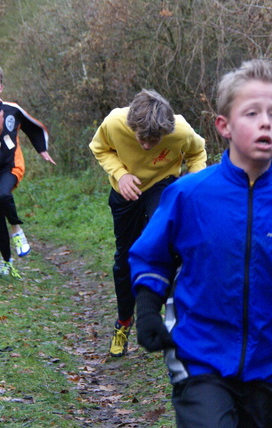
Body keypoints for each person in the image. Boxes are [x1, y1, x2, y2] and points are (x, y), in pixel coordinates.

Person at [129, 59, 272, 427]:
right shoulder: (189, 194)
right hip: (198, 357)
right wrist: (147, 309)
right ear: (224, 126)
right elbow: (153, 257)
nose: (265, 122)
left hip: (266, 363)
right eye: (251, 113)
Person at [89, 89, 207, 357]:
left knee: (166, 247)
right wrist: (120, 174)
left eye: (154, 141)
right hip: (125, 189)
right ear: (132, 127)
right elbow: (100, 148)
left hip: (161, 185)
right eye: (142, 139)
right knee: (126, 258)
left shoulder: (180, 131)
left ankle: (176, 318)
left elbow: (197, 153)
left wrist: (191, 185)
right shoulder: (115, 122)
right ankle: (123, 322)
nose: (146, 146)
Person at [0, 61, 56, 277]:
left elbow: (33, 126)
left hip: (11, 165)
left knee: (2, 194)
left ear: (2, 87)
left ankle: (16, 229)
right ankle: (6, 261)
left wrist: (41, 149)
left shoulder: (12, 109)